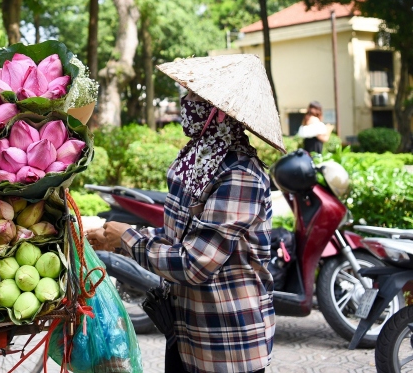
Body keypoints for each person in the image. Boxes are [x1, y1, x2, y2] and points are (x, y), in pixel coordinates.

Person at [87, 54, 283, 373]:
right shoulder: (194, 161)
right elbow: (176, 240)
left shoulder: (239, 175)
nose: (186, 103)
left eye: (195, 97)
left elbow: (194, 263)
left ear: (218, 113)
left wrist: (128, 238)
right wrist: (116, 238)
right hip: (184, 333)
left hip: (226, 347)